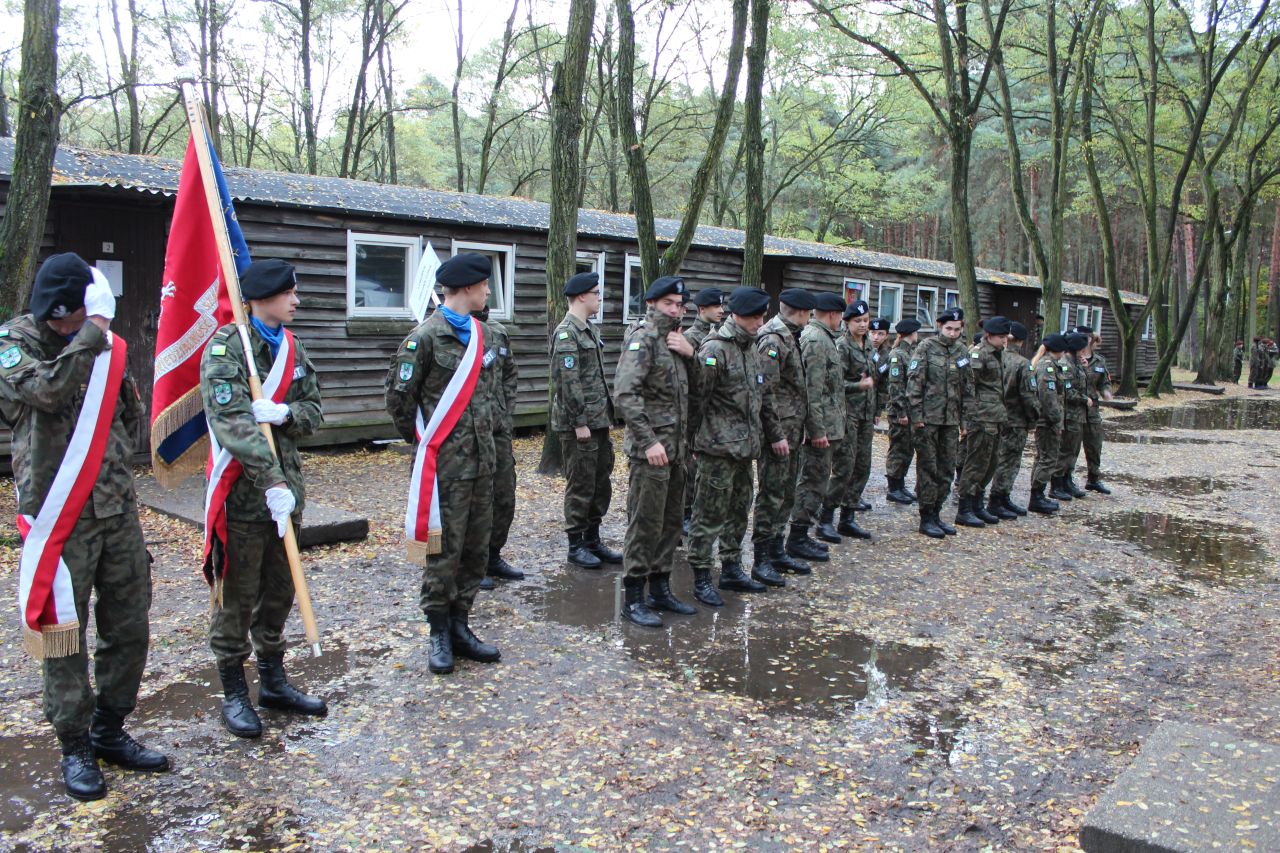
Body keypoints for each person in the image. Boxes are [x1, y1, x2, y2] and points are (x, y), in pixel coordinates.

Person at [0, 254, 168, 800]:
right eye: (64, 319)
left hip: (115, 508)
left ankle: (110, 729)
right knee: (62, 634)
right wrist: (91, 333)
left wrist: (96, 336)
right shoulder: (13, 343)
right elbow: (46, 392)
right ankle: (74, 744)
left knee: (129, 623)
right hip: (59, 516)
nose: (66, 326)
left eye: (76, 317)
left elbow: (129, 414)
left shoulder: (105, 346)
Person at [201, 259, 327, 739]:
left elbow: (314, 410)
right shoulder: (226, 347)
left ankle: (273, 682)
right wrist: (270, 482)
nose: (297, 300)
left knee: (279, 591)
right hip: (244, 496)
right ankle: (235, 691)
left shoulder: (292, 347)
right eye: (289, 293)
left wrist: (285, 413)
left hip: (286, 495)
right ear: (261, 298)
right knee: (237, 597)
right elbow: (231, 422)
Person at [386, 253, 502, 676]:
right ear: (468, 287)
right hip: (444, 467)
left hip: (483, 463)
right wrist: (426, 445)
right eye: (484, 285)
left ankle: (460, 624)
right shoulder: (425, 338)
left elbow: (492, 395)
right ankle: (438, 630)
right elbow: (399, 400)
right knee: (443, 551)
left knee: (475, 548)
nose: (488, 292)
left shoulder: (485, 335)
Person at [687, 286, 785, 599]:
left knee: (739, 511)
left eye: (763, 317)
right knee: (708, 514)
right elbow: (696, 401)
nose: (761, 322)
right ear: (739, 316)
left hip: (745, 449)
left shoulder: (751, 347)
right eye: (756, 317)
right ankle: (702, 577)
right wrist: (691, 444)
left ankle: (731, 569)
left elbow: (763, 396)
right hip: (717, 449)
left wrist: (774, 434)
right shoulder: (715, 349)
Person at [613, 276, 699, 626]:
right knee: (645, 523)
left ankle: (660, 588)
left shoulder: (677, 342)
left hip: (677, 450)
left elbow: (693, 393)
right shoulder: (644, 339)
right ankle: (633, 598)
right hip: (651, 452)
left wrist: (692, 355)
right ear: (651, 304)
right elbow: (625, 394)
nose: (676, 310)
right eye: (669, 304)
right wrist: (648, 441)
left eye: (680, 305)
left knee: (671, 522)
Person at [549, 271, 621, 569]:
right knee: (581, 484)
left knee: (600, 482)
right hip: (579, 424)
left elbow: (596, 380)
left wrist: (605, 417)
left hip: (598, 420)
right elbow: (568, 383)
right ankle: (576, 545)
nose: (599, 299)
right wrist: (579, 422)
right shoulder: (567, 333)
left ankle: (593, 540)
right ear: (581, 296)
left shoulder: (589, 329)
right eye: (596, 294)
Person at [751, 288, 816, 581]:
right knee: (771, 495)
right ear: (800, 312)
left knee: (786, 493)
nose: (810, 318)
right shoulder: (773, 339)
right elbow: (766, 392)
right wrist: (776, 434)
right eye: (808, 313)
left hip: (791, 430)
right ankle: (761, 558)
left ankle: (777, 549)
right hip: (777, 433)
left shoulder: (791, 335)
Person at [787, 291, 846, 559]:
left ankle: (802, 533)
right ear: (833, 314)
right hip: (820, 430)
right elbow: (812, 391)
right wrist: (816, 430)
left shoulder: (824, 338)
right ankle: (797, 537)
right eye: (840, 316)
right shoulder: (816, 340)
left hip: (829, 425)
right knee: (811, 481)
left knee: (818, 481)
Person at [906, 307, 971, 538]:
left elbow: (967, 388)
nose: (952, 333)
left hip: (950, 421)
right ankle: (926, 516)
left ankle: (936, 512)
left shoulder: (962, 351)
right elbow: (914, 384)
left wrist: (965, 420)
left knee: (946, 469)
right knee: (928, 468)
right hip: (928, 421)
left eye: (957, 329)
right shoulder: (926, 348)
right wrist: (916, 417)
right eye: (948, 328)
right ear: (940, 326)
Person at [475, 304, 523, 590]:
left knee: (504, 494)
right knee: (476, 499)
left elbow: (509, 374)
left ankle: (493, 555)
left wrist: (505, 414)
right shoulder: (449, 332)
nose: (488, 292)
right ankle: (473, 562)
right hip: (469, 433)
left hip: (498, 430)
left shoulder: (498, 332)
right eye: (483, 286)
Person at [955, 316, 1012, 526]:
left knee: (990, 463)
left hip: (996, 416)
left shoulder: (998, 354)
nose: (1004, 340)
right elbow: (968, 386)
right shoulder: (978, 354)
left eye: (1006, 337)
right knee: (976, 463)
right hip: (981, 417)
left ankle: (978, 503)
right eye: (1001, 336)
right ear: (988, 335)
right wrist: (968, 417)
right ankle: (965, 507)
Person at [828, 299, 875, 539]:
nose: (863, 325)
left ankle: (848, 516)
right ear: (847, 322)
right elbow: (836, 384)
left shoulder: (869, 346)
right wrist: (859, 386)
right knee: (844, 467)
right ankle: (826, 517)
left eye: (865, 320)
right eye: (858, 321)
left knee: (862, 466)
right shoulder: (842, 347)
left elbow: (875, 379)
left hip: (866, 415)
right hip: (847, 414)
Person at [682, 287, 725, 531]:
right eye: (716, 306)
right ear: (701, 309)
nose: (721, 310)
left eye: (721, 306)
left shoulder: (717, 336)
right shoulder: (690, 338)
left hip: (712, 414)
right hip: (694, 412)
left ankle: (698, 511)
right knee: (690, 467)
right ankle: (685, 514)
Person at [990, 321, 1039, 517]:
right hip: (1015, 420)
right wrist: (1033, 420)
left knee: (997, 458)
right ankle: (998, 498)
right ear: (1020, 341)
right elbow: (1029, 397)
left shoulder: (994, 358)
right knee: (1009, 461)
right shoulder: (1022, 364)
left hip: (995, 417)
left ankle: (1001, 498)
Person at [1028, 334, 1067, 514]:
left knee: (1043, 457)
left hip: (1047, 419)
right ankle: (1036, 496)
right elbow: (1048, 397)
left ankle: (1038, 494)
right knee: (1048, 458)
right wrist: (1056, 420)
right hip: (1047, 420)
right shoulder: (1047, 366)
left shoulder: (1048, 364)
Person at [883, 319, 920, 504]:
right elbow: (895, 386)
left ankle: (900, 484)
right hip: (900, 411)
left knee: (907, 449)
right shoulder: (897, 355)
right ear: (912, 333)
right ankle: (893, 487)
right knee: (898, 448)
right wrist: (901, 412)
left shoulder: (910, 352)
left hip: (909, 409)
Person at [1052, 333, 1090, 500]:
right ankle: (1057, 484)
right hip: (1069, 414)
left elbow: (1082, 383)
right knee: (1065, 450)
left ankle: (1067, 480)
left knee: (1073, 450)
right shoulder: (1065, 364)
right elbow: (1067, 390)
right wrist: (1084, 399)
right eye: (1082, 349)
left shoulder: (1077, 363)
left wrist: (1085, 368)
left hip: (1078, 415)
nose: (1084, 352)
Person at [1076, 326, 1113, 494]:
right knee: (1070, 448)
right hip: (1075, 409)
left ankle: (1093, 479)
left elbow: (1105, 382)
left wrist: (1106, 391)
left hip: (1092, 412)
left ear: (1089, 339)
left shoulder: (1099, 361)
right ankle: (1064, 480)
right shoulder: (1072, 359)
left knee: (1095, 445)